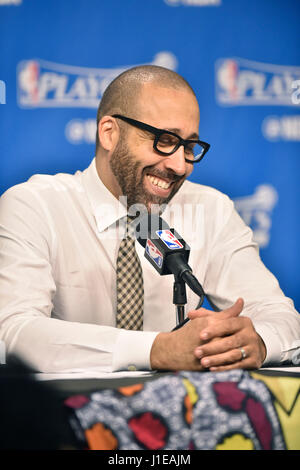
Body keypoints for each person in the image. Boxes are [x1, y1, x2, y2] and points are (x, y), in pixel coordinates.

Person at [0, 65, 299, 374]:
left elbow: (282, 318)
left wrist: (256, 342)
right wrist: (158, 350)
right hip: (63, 417)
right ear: (109, 133)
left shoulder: (212, 209)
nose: (180, 165)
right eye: (165, 140)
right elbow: (14, 332)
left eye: (189, 146)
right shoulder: (35, 205)